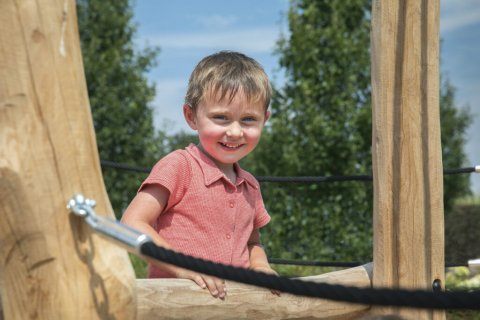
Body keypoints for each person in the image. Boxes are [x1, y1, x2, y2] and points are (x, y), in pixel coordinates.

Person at [121, 50, 277, 299]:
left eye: (248, 119)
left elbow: (252, 243)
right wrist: (183, 266)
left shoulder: (251, 186)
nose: (235, 131)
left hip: (235, 309)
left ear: (264, 120)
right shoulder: (179, 166)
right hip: (176, 305)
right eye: (221, 118)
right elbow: (131, 224)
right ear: (191, 116)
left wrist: (260, 267)